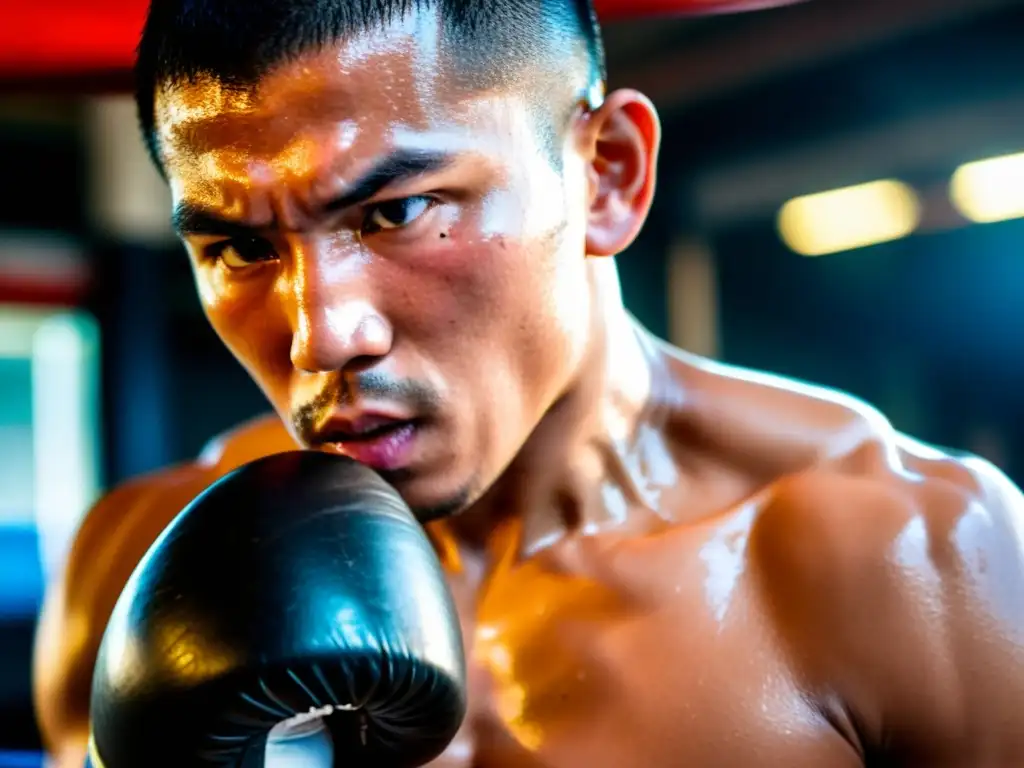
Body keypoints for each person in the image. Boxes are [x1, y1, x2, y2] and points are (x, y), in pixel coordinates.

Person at [33, 0, 1024, 765]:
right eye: (241, 246)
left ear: (606, 176)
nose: (322, 333)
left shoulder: (915, 561)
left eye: (398, 211)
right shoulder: (132, 569)